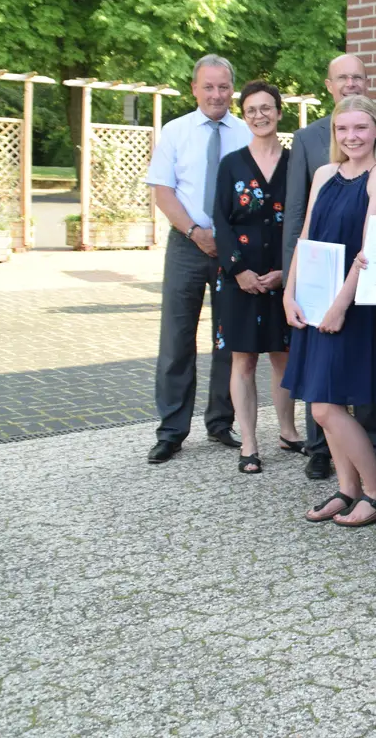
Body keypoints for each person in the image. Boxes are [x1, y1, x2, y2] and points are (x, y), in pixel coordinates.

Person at [281, 94, 376, 527]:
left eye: (359, 128)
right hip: (314, 299)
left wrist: (339, 306)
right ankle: (348, 490)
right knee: (323, 402)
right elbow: (306, 237)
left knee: (324, 408)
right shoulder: (325, 173)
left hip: (349, 303)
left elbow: (369, 250)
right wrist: (289, 292)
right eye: (342, 129)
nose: (351, 136)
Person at [144, 54, 249, 463]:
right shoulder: (175, 131)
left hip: (232, 250)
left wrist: (228, 242)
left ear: (232, 90)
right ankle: (171, 430)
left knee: (228, 339)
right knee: (176, 338)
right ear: (194, 89)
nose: (216, 94)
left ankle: (220, 422)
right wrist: (195, 232)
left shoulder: (244, 133)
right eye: (209, 87)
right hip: (187, 245)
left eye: (223, 87)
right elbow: (163, 191)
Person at [211, 80, 299, 473]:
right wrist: (239, 270)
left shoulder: (298, 163)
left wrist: (288, 271)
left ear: (279, 112)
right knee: (242, 361)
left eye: (267, 108)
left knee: (283, 356)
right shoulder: (231, 164)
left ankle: (288, 431)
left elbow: (303, 221)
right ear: (244, 116)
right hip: (239, 279)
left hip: (284, 276)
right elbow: (221, 220)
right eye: (251, 110)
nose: (260, 115)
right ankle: (249, 443)